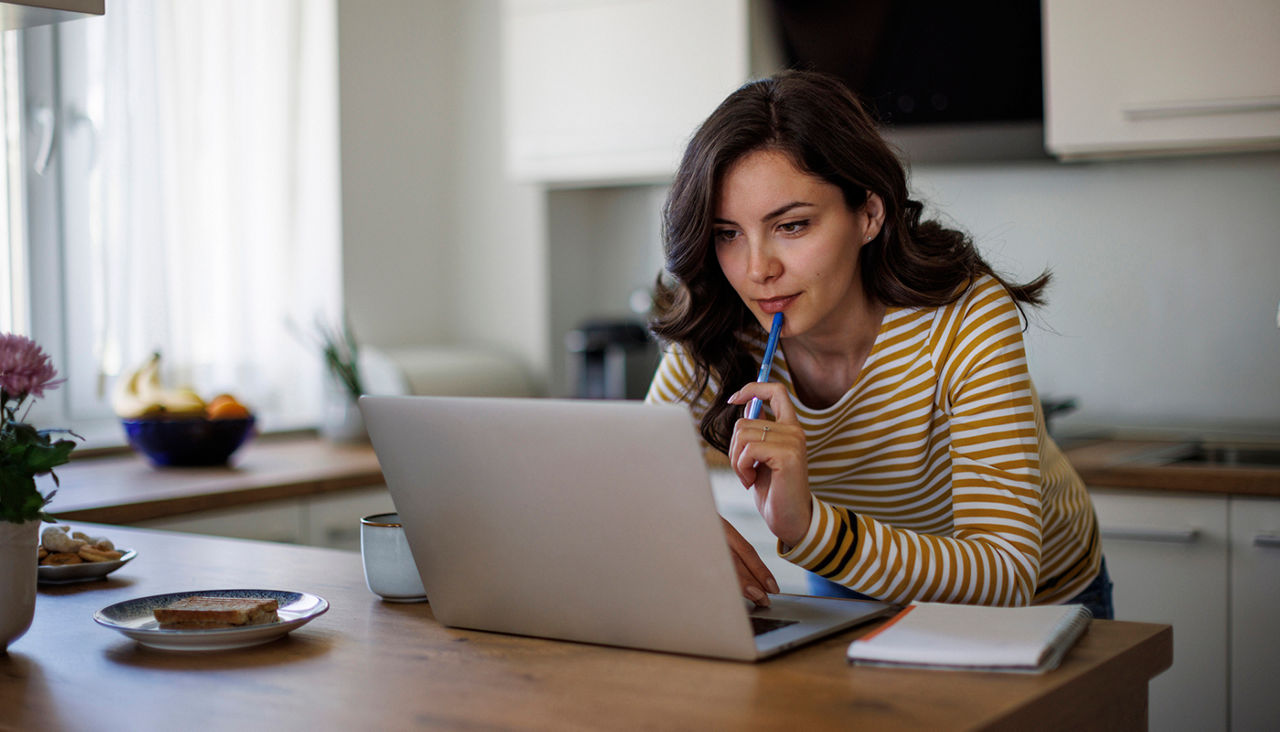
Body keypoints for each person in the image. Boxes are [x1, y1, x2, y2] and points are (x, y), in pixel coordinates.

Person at [645, 70, 1112, 619]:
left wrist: (812, 529)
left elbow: (1006, 571)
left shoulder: (965, 315)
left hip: (1037, 602)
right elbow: (632, 477)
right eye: (728, 234)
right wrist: (679, 526)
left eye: (792, 226)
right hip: (855, 582)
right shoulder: (724, 322)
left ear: (868, 214)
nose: (757, 271)